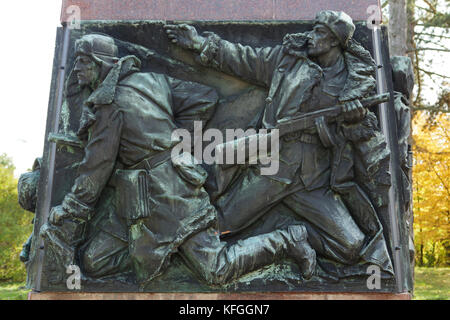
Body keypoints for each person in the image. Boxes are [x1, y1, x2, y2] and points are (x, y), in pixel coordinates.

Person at [40, 33, 316, 288]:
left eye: (83, 61)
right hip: (137, 198)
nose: (76, 69)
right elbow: (203, 97)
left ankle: (287, 240)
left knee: (215, 270)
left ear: (101, 64)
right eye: (75, 62)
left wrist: (71, 209)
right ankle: (162, 250)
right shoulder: (151, 80)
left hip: (171, 195)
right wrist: (177, 141)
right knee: (94, 262)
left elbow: (96, 168)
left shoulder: (110, 106)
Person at [165, 10, 394, 275]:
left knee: (351, 247)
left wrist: (355, 119)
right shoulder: (288, 61)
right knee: (219, 225)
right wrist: (200, 44)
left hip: (314, 178)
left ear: (335, 41)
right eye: (314, 28)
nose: (311, 36)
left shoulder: (353, 82)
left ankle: (292, 235)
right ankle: (282, 241)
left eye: (319, 32)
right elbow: (244, 59)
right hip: (272, 165)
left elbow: (359, 137)